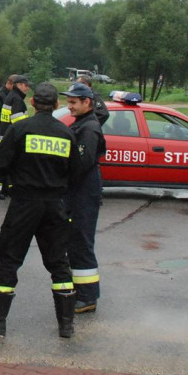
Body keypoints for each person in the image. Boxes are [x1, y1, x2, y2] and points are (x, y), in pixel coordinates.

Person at [0, 82, 81, 338]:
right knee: (58, 262)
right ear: (56, 105)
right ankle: (66, 324)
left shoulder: (20, 129)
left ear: (32, 103)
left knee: (7, 259)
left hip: (24, 204)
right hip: (55, 205)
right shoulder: (66, 134)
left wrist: (13, 176)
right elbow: (76, 172)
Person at [62, 82, 107, 314]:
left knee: (81, 243)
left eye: (73, 102)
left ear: (87, 102)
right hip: (79, 192)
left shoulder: (89, 128)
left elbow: (81, 164)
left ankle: (88, 297)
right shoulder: (82, 123)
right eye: (68, 102)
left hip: (84, 192)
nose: (69, 106)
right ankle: (81, 292)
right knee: (75, 242)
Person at [0, 74, 31, 205]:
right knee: (10, 166)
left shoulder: (11, 96)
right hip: (12, 140)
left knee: (3, 166)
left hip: (4, 137)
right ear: (19, 85)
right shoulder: (17, 100)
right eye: (26, 85)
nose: (28, 88)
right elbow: (19, 124)